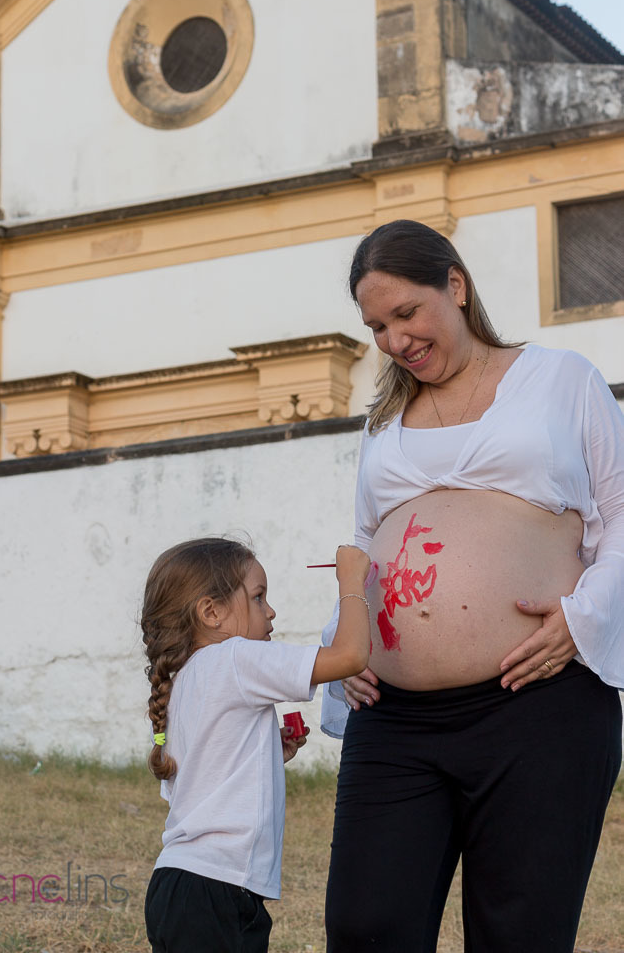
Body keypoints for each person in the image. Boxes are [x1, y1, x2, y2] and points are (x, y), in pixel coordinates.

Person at [321, 219, 624, 953]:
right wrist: (345, 647)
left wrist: (580, 620)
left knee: (517, 934)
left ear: (453, 286)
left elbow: (620, 513)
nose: (394, 340)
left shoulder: (559, 378)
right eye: (376, 326)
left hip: (535, 703)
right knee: (366, 926)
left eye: (405, 314)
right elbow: (365, 545)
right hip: (393, 717)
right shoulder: (383, 419)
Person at [141, 536, 370, 953]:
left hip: (178, 885)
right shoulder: (235, 658)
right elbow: (350, 657)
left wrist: (267, 754)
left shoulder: (183, 680)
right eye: (259, 597)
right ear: (212, 612)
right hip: (216, 891)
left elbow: (203, 779)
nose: (271, 611)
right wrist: (353, 584)